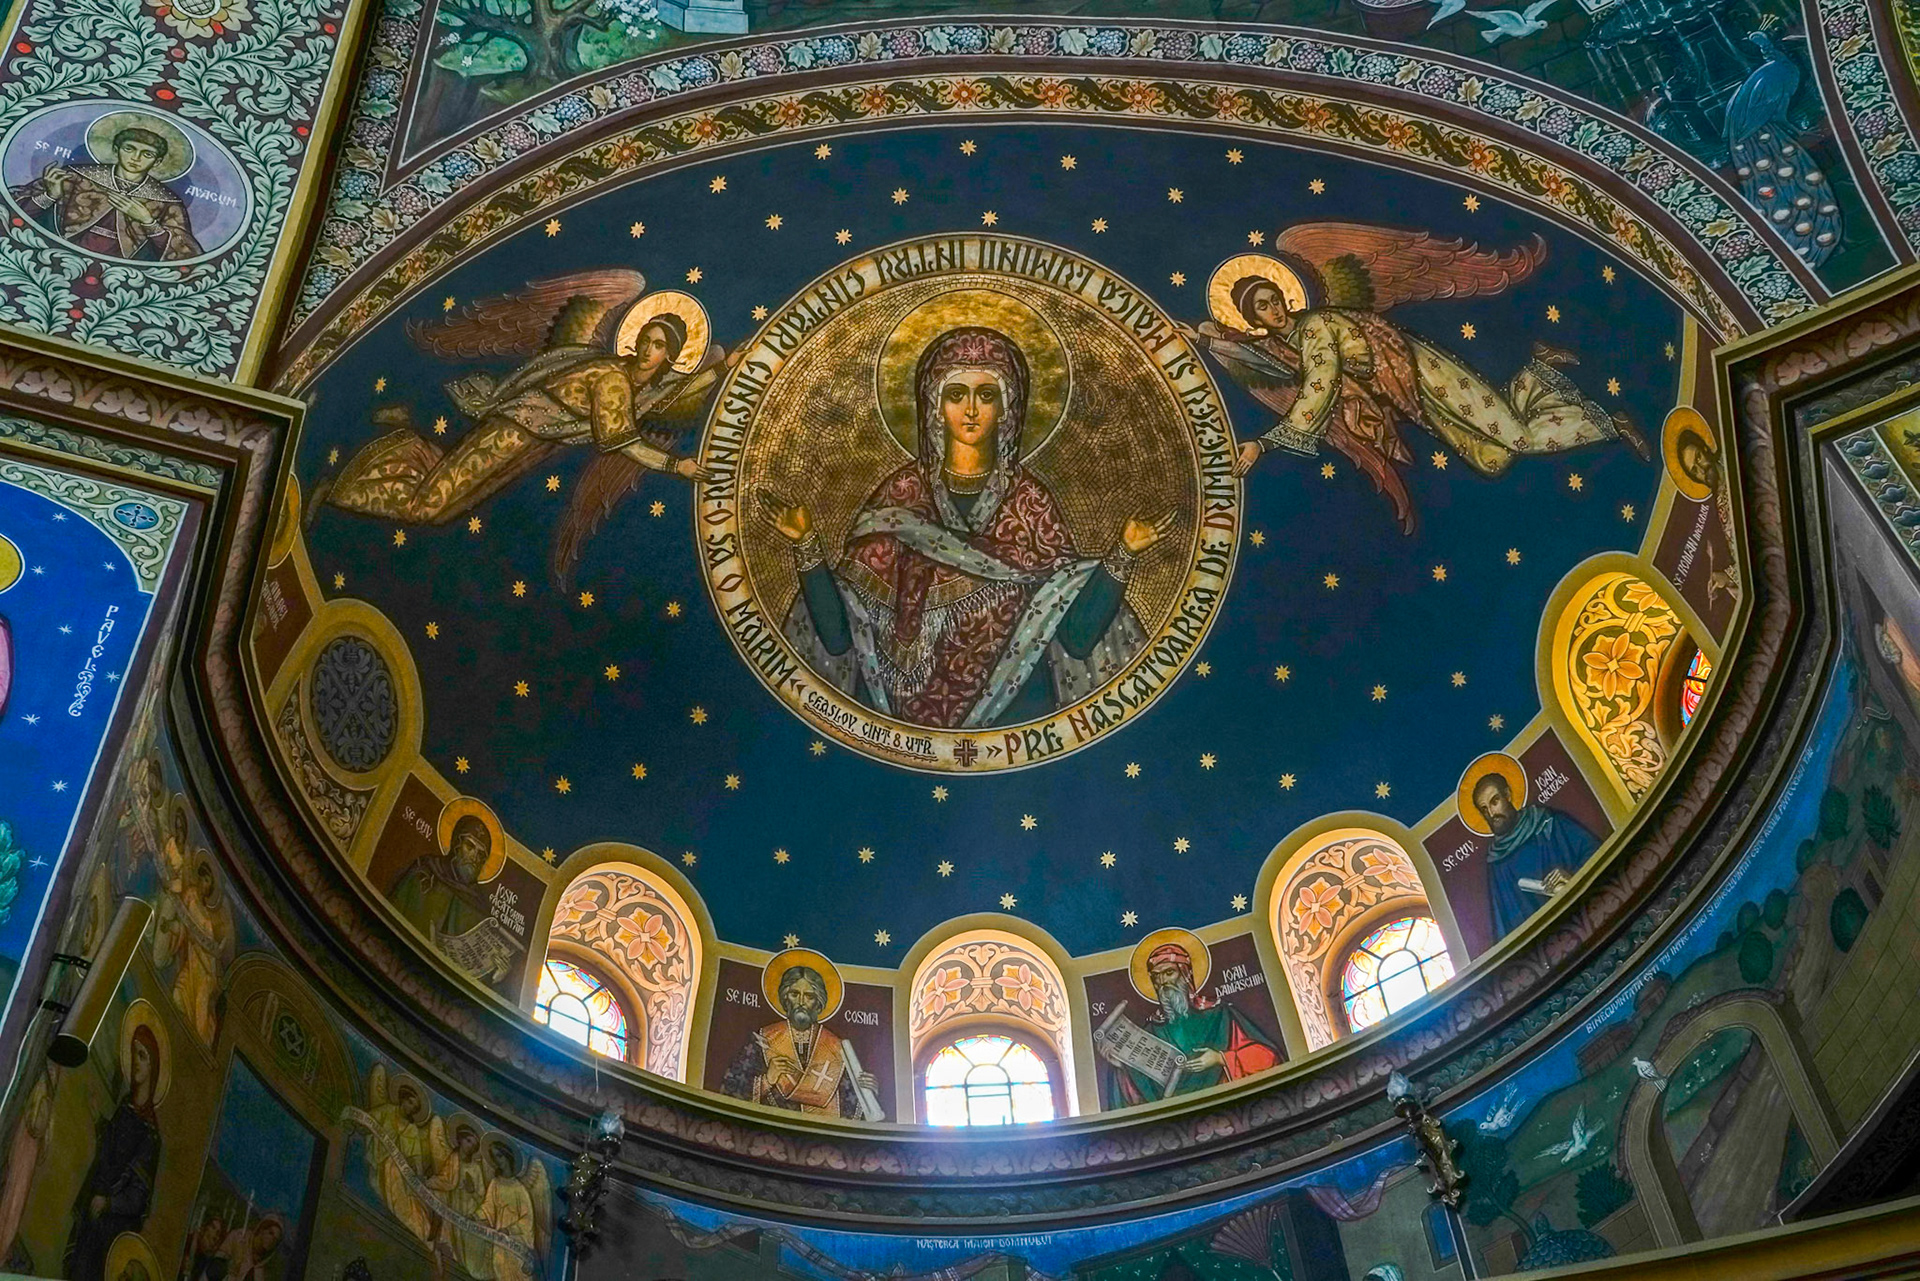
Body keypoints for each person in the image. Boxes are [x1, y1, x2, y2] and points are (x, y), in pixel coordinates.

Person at [761, 325, 1167, 728]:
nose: (971, 409)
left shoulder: (1029, 503)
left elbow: (1076, 639)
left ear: (1007, 408)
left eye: (986, 395)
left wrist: (1124, 553)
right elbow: (838, 638)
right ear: (935, 405)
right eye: (956, 394)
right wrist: (806, 545)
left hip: (1015, 719)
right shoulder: (900, 497)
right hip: (895, 724)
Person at [1098, 943, 1279, 1108]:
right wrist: (1123, 1066)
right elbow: (1142, 1094)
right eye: (1156, 977)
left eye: (1169, 972)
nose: (1162, 982)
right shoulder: (1151, 1030)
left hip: (1228, 1104)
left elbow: (1268, 1058)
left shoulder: (1219, 1015)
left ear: (1186, 974)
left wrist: (1220, 1058)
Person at [10, 126, 202, 260]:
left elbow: (186, 255)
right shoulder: (76, 177)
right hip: (59, 254)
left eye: (147, 154)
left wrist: (148, 221)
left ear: (157, 162)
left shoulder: (166, 201)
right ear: (116, 150)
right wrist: (50, 195)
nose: (136, 158)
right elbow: (11, 212)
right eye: (129, 149)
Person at [65, 1025, 163, 1281]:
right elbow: (111, 1151)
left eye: (142, 1056)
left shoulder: (150, 1134)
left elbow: (138, 1197)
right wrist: (98, 1117)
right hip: (93, 1211)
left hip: (111, 1227)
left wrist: (108, 1203)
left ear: (153, 1067)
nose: (136, 1062)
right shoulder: (125, 1107)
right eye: (134, 1053)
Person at [719, 966, 876, 1118]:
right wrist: (768, 1079)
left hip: (820, 1131)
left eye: (809, 996)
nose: (801, 1002)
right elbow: (730, 1091)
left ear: (818, 1004)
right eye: (794, 994)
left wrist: (867, 1093)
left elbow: (851, 1104)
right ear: (785, 999)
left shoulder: (836, 1047)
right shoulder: (763, 1040)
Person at [1472, 771, 1600, 938]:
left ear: (1507, 795)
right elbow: (1503, 925)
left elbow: (1594, 849)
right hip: (1547, 938)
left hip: (1587, 910)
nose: (1491, 813)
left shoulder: (1548, 822)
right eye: (1484, 809)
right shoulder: (1496, 861)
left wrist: (1574, 876)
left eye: (1495, 801)